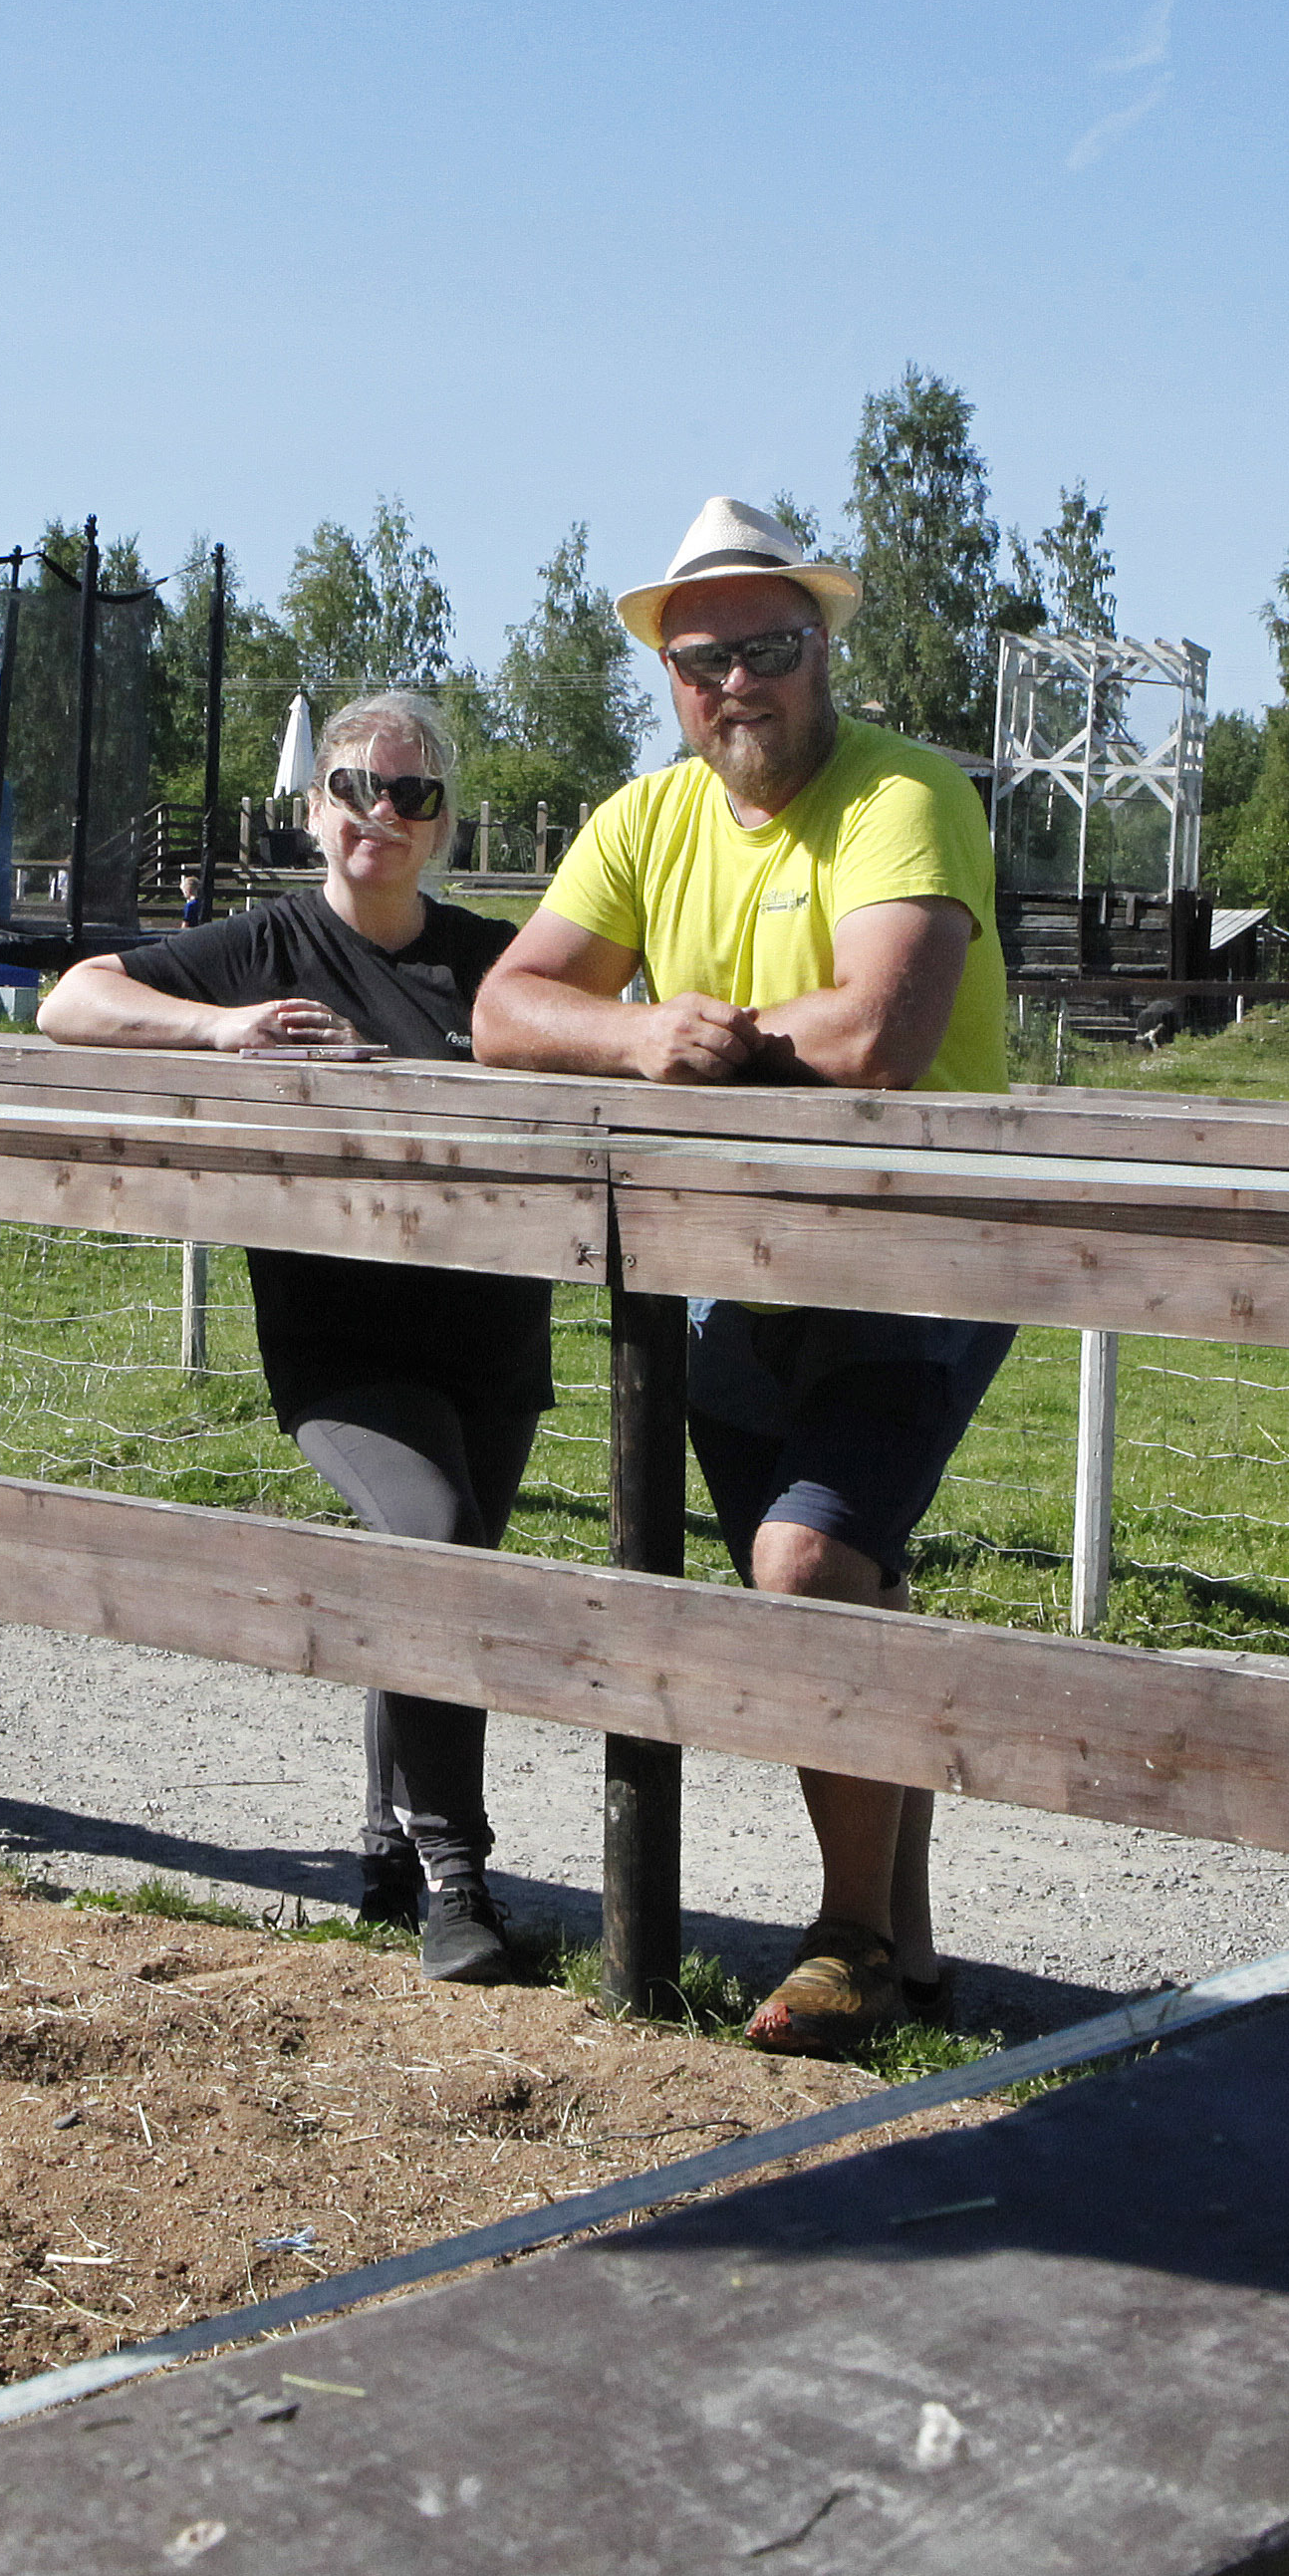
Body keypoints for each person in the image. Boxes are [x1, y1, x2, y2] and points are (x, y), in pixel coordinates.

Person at [476, 496, 1015, 2058]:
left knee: (799, 1571)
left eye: (767, 648)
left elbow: (878, 1036)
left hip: (915, 1257)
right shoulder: (642, 818)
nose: (735, 685)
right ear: (666, 675)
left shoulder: (905, 793)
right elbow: (509, 1011)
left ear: (819, 647)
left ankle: (847, 1933)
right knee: (838, 1591)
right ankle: (906, 1945)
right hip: (727, 1274)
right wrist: (640, 1030)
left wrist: (711, 1034)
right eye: (699, 658)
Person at [38, 691, 551, 1985]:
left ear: (440, 822)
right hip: (340, 1338)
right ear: (314, 808)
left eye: (412, 793)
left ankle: (384, 1845)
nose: (381, 813)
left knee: (435, 1578)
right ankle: (455, 1877)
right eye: (356, 788)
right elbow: (71, 1002)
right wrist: (218, 1027)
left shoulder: (498, 960)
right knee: (430, 1546)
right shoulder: (263, 946)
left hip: (491, 1328)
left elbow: (603, 1027)